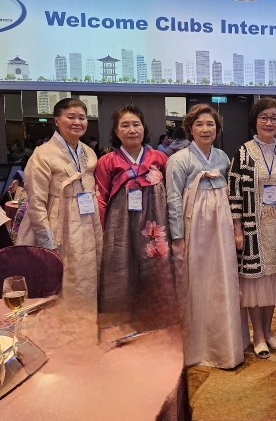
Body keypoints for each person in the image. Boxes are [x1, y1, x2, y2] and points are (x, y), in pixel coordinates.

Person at [166, 104, 244, 368]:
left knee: (222, 277)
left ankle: (225, 345)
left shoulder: (222, 158)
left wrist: (236, 227)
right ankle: (198, 347)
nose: (205, 129)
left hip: (221, 224)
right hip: (195, 224)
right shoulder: (179, 160)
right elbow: (173, 200)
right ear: (190, 129)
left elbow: (232, 193)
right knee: (197, 279)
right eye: (199, 124)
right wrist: (178, 237)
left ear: (217, 129)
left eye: (210, 124)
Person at [228, 97, 276, 359]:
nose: (269, 123)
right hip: (253, 227)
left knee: (273, 280)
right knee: (255, 282)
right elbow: (234, 193)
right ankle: (257, 335)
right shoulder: (243, 152)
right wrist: (237, 228)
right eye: (264, 118)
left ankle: (269, 331)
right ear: (255, 121)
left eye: (274, 118)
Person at [95, 105, 177, 335]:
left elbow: (172, 193)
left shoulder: (159, 158)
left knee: (156, 267)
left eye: (136, 124)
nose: (131, 130)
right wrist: (101, 229)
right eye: (125, 125)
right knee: (120, 267)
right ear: (116, 131)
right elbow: (101, 197)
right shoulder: (107, 161)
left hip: (155, 222)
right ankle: (120, 324)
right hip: (120, 224)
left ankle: (158, 322)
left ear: (144, 128)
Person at [16, 98, 102, 313]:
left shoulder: (89, 152)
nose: (77, 122)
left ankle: (86, 322)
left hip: (87, 220)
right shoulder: (42, 154)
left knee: (87, 275)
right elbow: (36, 203)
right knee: (62, 277)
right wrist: (47, 242)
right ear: (56, 120)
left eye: (82, 118)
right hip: (59, 222)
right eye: (71, 117)